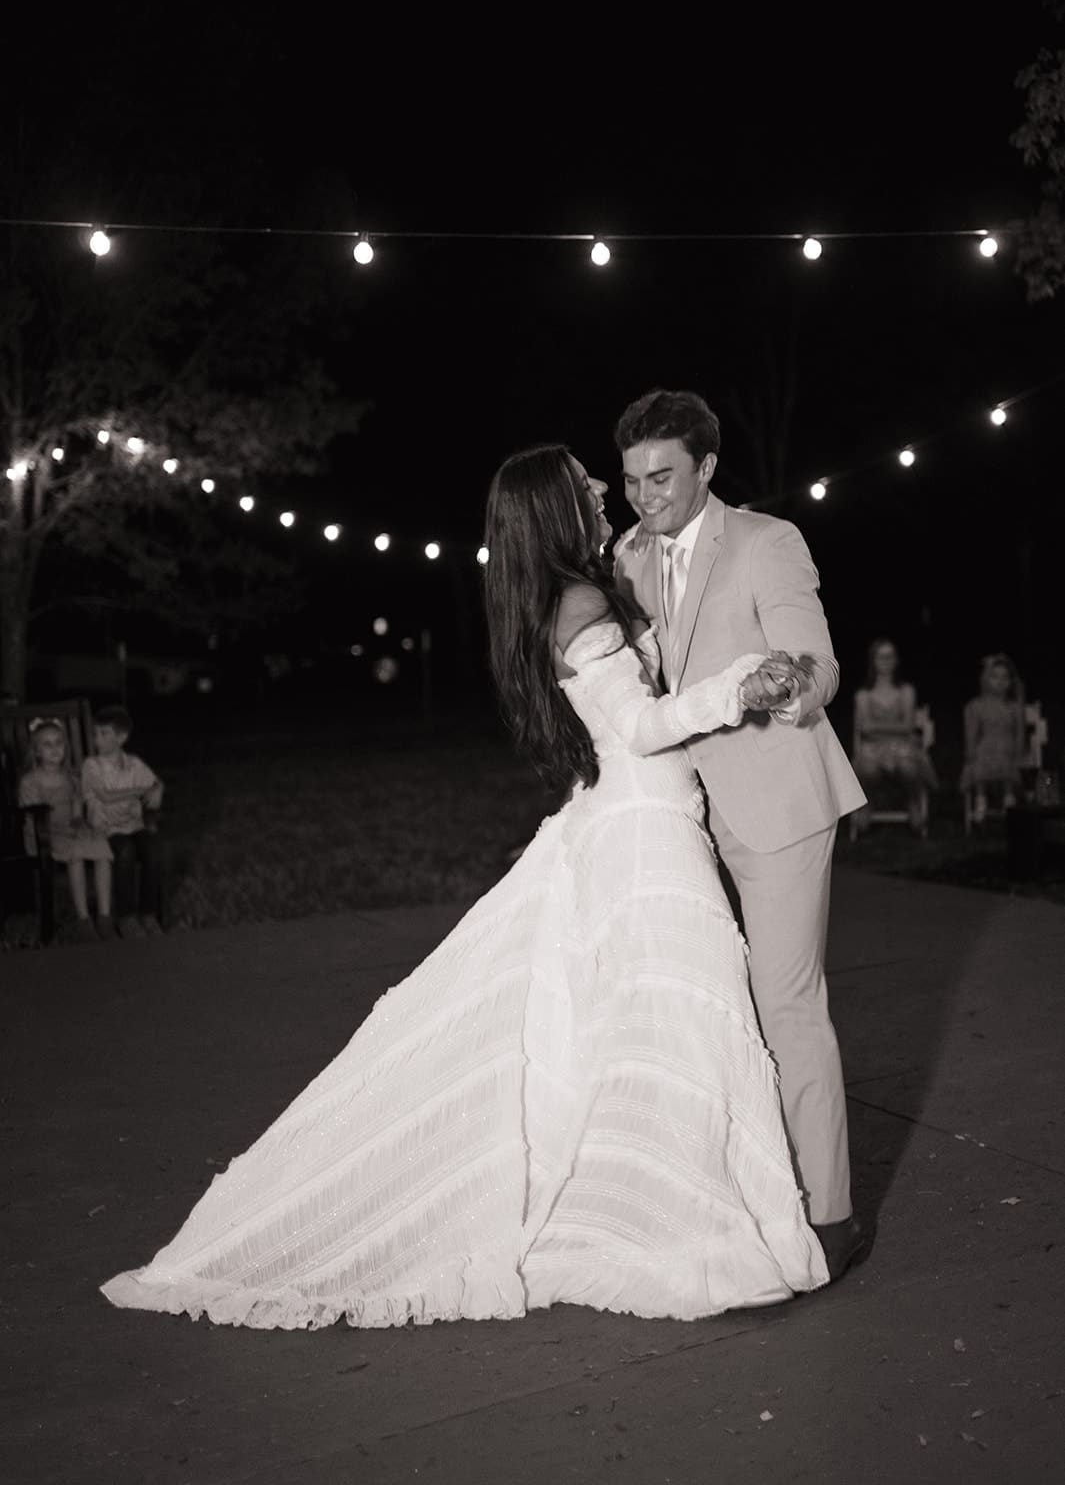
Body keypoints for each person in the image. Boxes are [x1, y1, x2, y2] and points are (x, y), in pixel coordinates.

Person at [102, 442, 830, 1330]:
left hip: (631, 820)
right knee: (676, 1022)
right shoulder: (580, 602)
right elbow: (638, 727)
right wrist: (735, 686)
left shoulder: (563, 595)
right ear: (555, 509)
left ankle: (663, 1205)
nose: (603, 489)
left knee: (642, 1028)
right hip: (646, 835)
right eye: (584, 484)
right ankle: (690, 1227)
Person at [613, 389, 869, 1282]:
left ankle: (829, 1215)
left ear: (707, 469)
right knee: (706, 1012)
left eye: (663, 478)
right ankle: (740, 1195)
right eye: (633, 480)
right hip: (677, 819)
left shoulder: (768, 541)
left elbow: (815, 658)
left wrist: (788, 686)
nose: (646, 497)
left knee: (786, 1005)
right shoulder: (624, 559)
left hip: (777, 805)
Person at [18, 717, 114, 942]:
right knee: (76, 854)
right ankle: (83, 920)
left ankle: (104, 916)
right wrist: (64, 831)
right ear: (36, 751)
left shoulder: (71, 778)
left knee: (101, 845)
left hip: (69, 830)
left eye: (59, 743)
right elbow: (31, 818)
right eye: (47, 744)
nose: (54, 749)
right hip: (43, 835)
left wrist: (80, 824)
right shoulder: (30, 781)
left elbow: (77, 812)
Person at [80, 705, 165, 939]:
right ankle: (126, 916)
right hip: (106, 828)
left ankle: (149, 913)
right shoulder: (91, 766)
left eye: (104, 734)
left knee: (152, 850)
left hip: (133, 825)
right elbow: (106, 796)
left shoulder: (134, 764)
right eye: (95, 734)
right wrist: (138, 790)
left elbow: (155, 783)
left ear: (121, 737)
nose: (97, 739)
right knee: (125, 851)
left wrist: (157, 789)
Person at [852, 638, 938, 832]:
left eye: (890, 656)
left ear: (896, 660)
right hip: (873, 749)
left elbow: (907, 726)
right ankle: (867, 803)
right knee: (868, 768)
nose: (886, 661)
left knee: (908, 765)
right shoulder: (864, 694)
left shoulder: (906, 691)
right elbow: (865, 729)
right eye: (881, 657)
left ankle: (914, 800)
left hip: (902, 746)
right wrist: (893, 727)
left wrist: (877, 727)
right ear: (873, 661)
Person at [961, 653, 1027, 823]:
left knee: (1005, 758)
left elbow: (1019, 732)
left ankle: (1008, 798)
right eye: (995, 677)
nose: (1000, 681)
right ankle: (981, 800)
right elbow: (972, 733)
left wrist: (1019, 752)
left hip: (1008, 747)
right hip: (985, 747)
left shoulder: (1014, 707)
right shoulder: (977, 706)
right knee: (981, 758)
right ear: (985, 680)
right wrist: (970, 753)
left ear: (1011, 681)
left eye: (1005, 677)